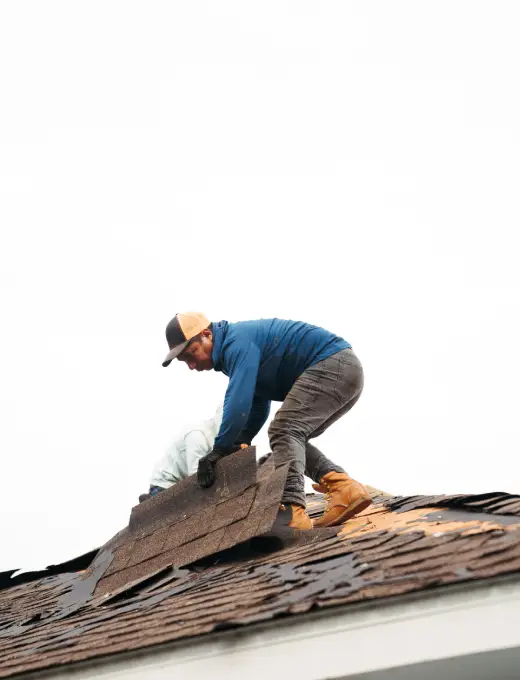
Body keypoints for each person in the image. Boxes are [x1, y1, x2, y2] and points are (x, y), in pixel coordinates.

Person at [161, 312, 372, 530]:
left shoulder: (236, 342)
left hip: (334, 365)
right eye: (184, 361)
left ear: (207, 335)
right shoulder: (235, 349)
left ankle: (292, 510)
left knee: (284, 429)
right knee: (290, 436)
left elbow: (238, 400)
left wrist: (220, 448)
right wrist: (242, 438)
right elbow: (258, 401)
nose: (191, 366)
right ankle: (344, 488)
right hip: (343, 371)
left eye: (191, 354)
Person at [140, 403, 224, 501]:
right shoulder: (198, 435)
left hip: (181, 483)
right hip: (164, 485)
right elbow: (197, 478)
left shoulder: (214, 436)